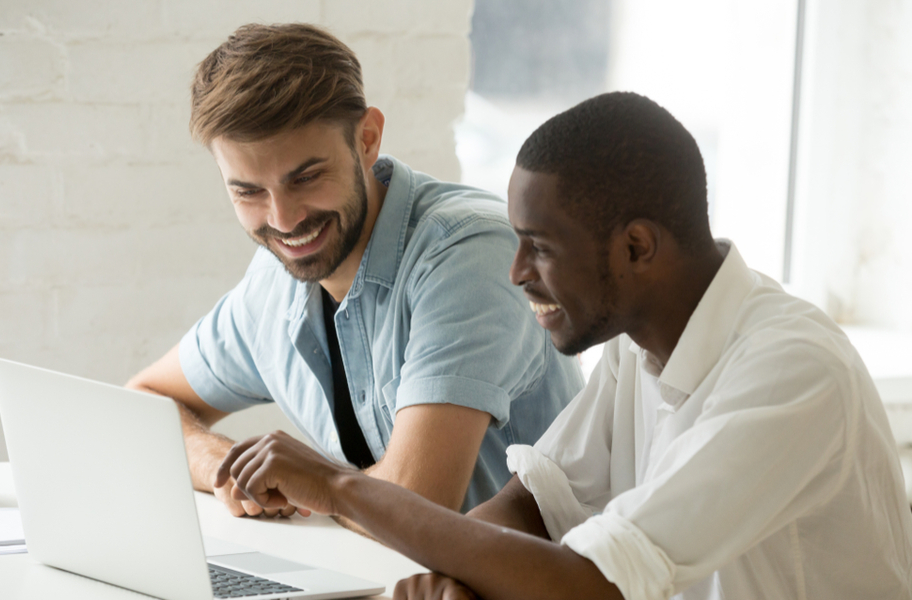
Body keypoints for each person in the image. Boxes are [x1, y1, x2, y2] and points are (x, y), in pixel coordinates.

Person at [214, 92, 912, 599]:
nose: (516, 273)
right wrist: (457, 579)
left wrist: (338, 487)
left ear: (637, 247)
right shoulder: (638, 348)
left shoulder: (791, 368)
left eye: (539, 248)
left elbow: (590, 583)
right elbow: (533, 505)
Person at [125, 22, 584, 524]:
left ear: (367, 139)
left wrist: (315, 484)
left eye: (306, 177)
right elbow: (143, 402)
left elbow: (420, 501)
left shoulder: (469, 253)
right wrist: (226, 468)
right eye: (248, 191)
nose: (283, 219)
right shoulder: (272, 284)